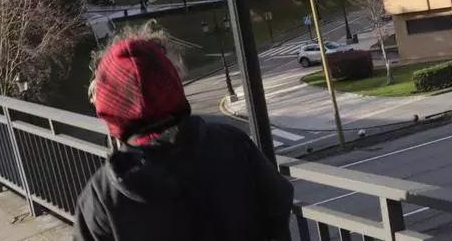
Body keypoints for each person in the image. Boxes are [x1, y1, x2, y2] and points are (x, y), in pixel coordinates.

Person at [74, 35, 293, 241]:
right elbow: (278, 203)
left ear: (110, 110)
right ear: (173, 85)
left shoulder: (100, 197)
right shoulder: (232, 143)